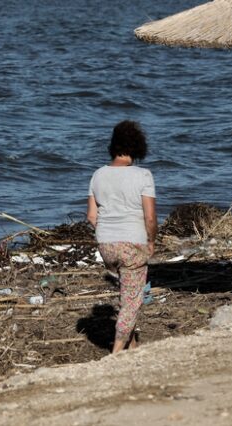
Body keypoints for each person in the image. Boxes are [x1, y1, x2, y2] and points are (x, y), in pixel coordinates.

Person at [86, 120, 157, 354]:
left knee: (127, 292)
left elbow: (91, 216)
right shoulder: (143, 175)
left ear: (112, 146)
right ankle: (116, 353)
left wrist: (108, 232)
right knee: (133, 298)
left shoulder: (98, 175)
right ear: (138, 147)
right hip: (132, 243)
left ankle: (132, 344)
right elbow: (149, 217)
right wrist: (151, 241)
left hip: (105, 244)